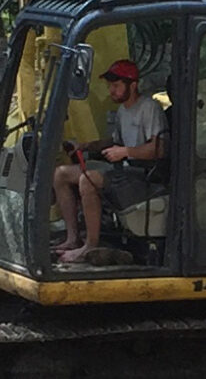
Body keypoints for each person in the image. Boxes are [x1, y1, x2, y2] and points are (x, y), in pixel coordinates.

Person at [54, 58, 165, 264]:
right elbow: (115, 142)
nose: (111, 91)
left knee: (89, 180)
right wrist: (87, 146)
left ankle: (90, 245)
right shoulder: (123, 109)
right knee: (61, 173)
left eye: (116, 86)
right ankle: (72, 238)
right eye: (110, 86)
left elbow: (157, 149)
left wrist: (125, 152)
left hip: (143, 177)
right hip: (124, 171)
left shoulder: (149, 108)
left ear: (133, 85)